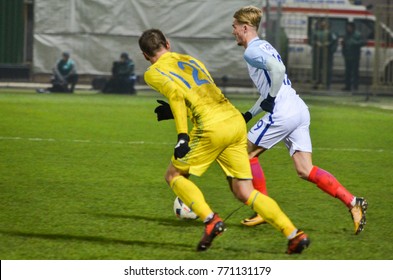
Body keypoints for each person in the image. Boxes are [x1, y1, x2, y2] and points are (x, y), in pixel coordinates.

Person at [138, 28, 310, 254]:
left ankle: (210, 221)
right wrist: (175, 112)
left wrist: (182, 135)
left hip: (211, 126)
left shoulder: (152, 72)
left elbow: (177, 95)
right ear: (168, 44)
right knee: (244, 191)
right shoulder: (191, 60)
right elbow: (202, 94)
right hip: (234, 120)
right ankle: (293, 234)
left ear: (144, 56)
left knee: (174, 175)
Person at [232, 6, 368, 235]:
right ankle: (353, 202)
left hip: (283, 110)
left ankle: (263, 209)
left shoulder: (251, 51)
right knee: (305, 169)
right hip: (297, 108)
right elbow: (271, 86)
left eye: (234, 27)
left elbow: (278, 69)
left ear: (244, 27)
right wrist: (250, 113)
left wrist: (271, 99)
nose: (233, 31)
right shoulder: (265, 45)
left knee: (245, 154)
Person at [311, 19, 338, 90]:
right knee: (317, 69)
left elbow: (334, 42)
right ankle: (316, 82)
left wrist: (329, 44)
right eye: (322, 23)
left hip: (327, 54)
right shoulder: (316, 33)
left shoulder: (331, 33)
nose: (323, 24)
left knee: (327, 69)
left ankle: (327, 84)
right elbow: (312, 41)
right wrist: (316, 43)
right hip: (318, 54)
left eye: (325, 23)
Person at [342, 22, 366, 91]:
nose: (348, 28)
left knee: (355, 72)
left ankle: (355, 86)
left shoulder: (357, 34)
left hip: (355, 56)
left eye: (349, 27)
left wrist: (354, 43)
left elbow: (363, 42)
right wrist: (344, 53)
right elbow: (344, 45)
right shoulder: (346, 35)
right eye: (347, 27)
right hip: (347, 56)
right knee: (347, 72)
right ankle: (347, 86)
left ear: (353, 27)